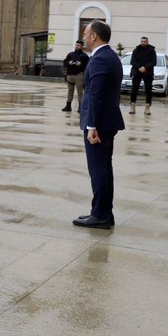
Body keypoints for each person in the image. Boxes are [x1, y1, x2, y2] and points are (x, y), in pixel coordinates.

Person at [75, 19, 125, 229]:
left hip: (100, 124)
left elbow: (95, 95)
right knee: (104, 169)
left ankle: (100, 215)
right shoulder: (109, 56)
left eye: (86, 34)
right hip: (106, 122)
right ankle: (104, 212)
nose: (84, 38)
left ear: (94, 36)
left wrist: (91, 126)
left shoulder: (100, 59)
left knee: (99, 170)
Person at [129, 36, 158, 115]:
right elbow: (132, 61)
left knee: (148, 90)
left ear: (147, 42)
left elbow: (154, 62)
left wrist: (145, 67)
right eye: (142, 41)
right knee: (134, 90)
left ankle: (147, 108)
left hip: (148, 73)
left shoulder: (152, 51)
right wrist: (139, 68)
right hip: (137, 72)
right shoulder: (136, 50)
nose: (143, 43)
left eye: (145, 41)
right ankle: (132, 106)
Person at [61, 39, 88, 113]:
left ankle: (80, 107)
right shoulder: (70, 54)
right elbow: (64, 63)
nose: (77, 46)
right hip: (70, 75)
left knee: (80, 92)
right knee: (70, 92)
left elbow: (88, 65)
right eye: (76, 45)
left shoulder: (84, 56)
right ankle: (68, 106)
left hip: (79, 75)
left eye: (78, 45)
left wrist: (81, 64)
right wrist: (69, 63)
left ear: (82, 46)